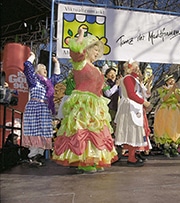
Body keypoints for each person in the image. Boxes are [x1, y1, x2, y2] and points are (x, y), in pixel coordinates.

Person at [52, 28, 117, 173]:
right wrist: (81, 34)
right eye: (94, 50)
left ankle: (94, 158)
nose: (96, 54)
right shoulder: (80, 63)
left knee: (96, 132)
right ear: (86, 49)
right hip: (83, 102)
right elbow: (75, 50)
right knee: (83, 131)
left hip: (96, 103)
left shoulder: (96, 68)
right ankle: (83, 161)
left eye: (98, 52)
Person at [22, 52, 62, 166]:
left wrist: (57, 63)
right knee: (34, 130)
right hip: (34, 107)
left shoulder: (48, 84)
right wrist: (32, 57)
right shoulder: (34, 81)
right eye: (42, 68)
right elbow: (28, 67)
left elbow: (56, 77)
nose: (45, 69)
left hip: (44, 109)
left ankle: (38, 155)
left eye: (45, 68)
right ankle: (32, 155)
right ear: (37, 71)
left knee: (43, 132)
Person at [114, 59, 151, 167]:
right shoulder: (128, 78)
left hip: (135, 107)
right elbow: (131, 94)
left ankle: (133, 155)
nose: (137, 69)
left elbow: (143, 94)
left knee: (135, 131)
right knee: (131, 131)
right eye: (135, 67)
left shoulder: (135, 79)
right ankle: (131, 157)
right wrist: (144, 102)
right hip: (130, 108)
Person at [153, 74, 180, 158]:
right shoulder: (162, 89)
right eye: (170, 80)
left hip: (175, 110)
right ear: (166, 81)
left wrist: (175, 91)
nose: (172, 81)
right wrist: (170, 91)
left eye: (173, 80)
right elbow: (164, 99)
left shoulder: (177, 90)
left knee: (175, 127)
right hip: (165, 110)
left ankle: (174, 146)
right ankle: (166, 147)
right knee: (165, 126)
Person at [102, 67, 120, 134]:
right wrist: (116, 85)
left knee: (115, 124)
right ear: (106, 75)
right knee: (108, 124)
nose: (112, 75)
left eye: (114, 73)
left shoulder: (117, 83)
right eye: (110, 73)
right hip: (108, 107)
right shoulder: (105, 83)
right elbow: (108, 94)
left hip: (116, 107)